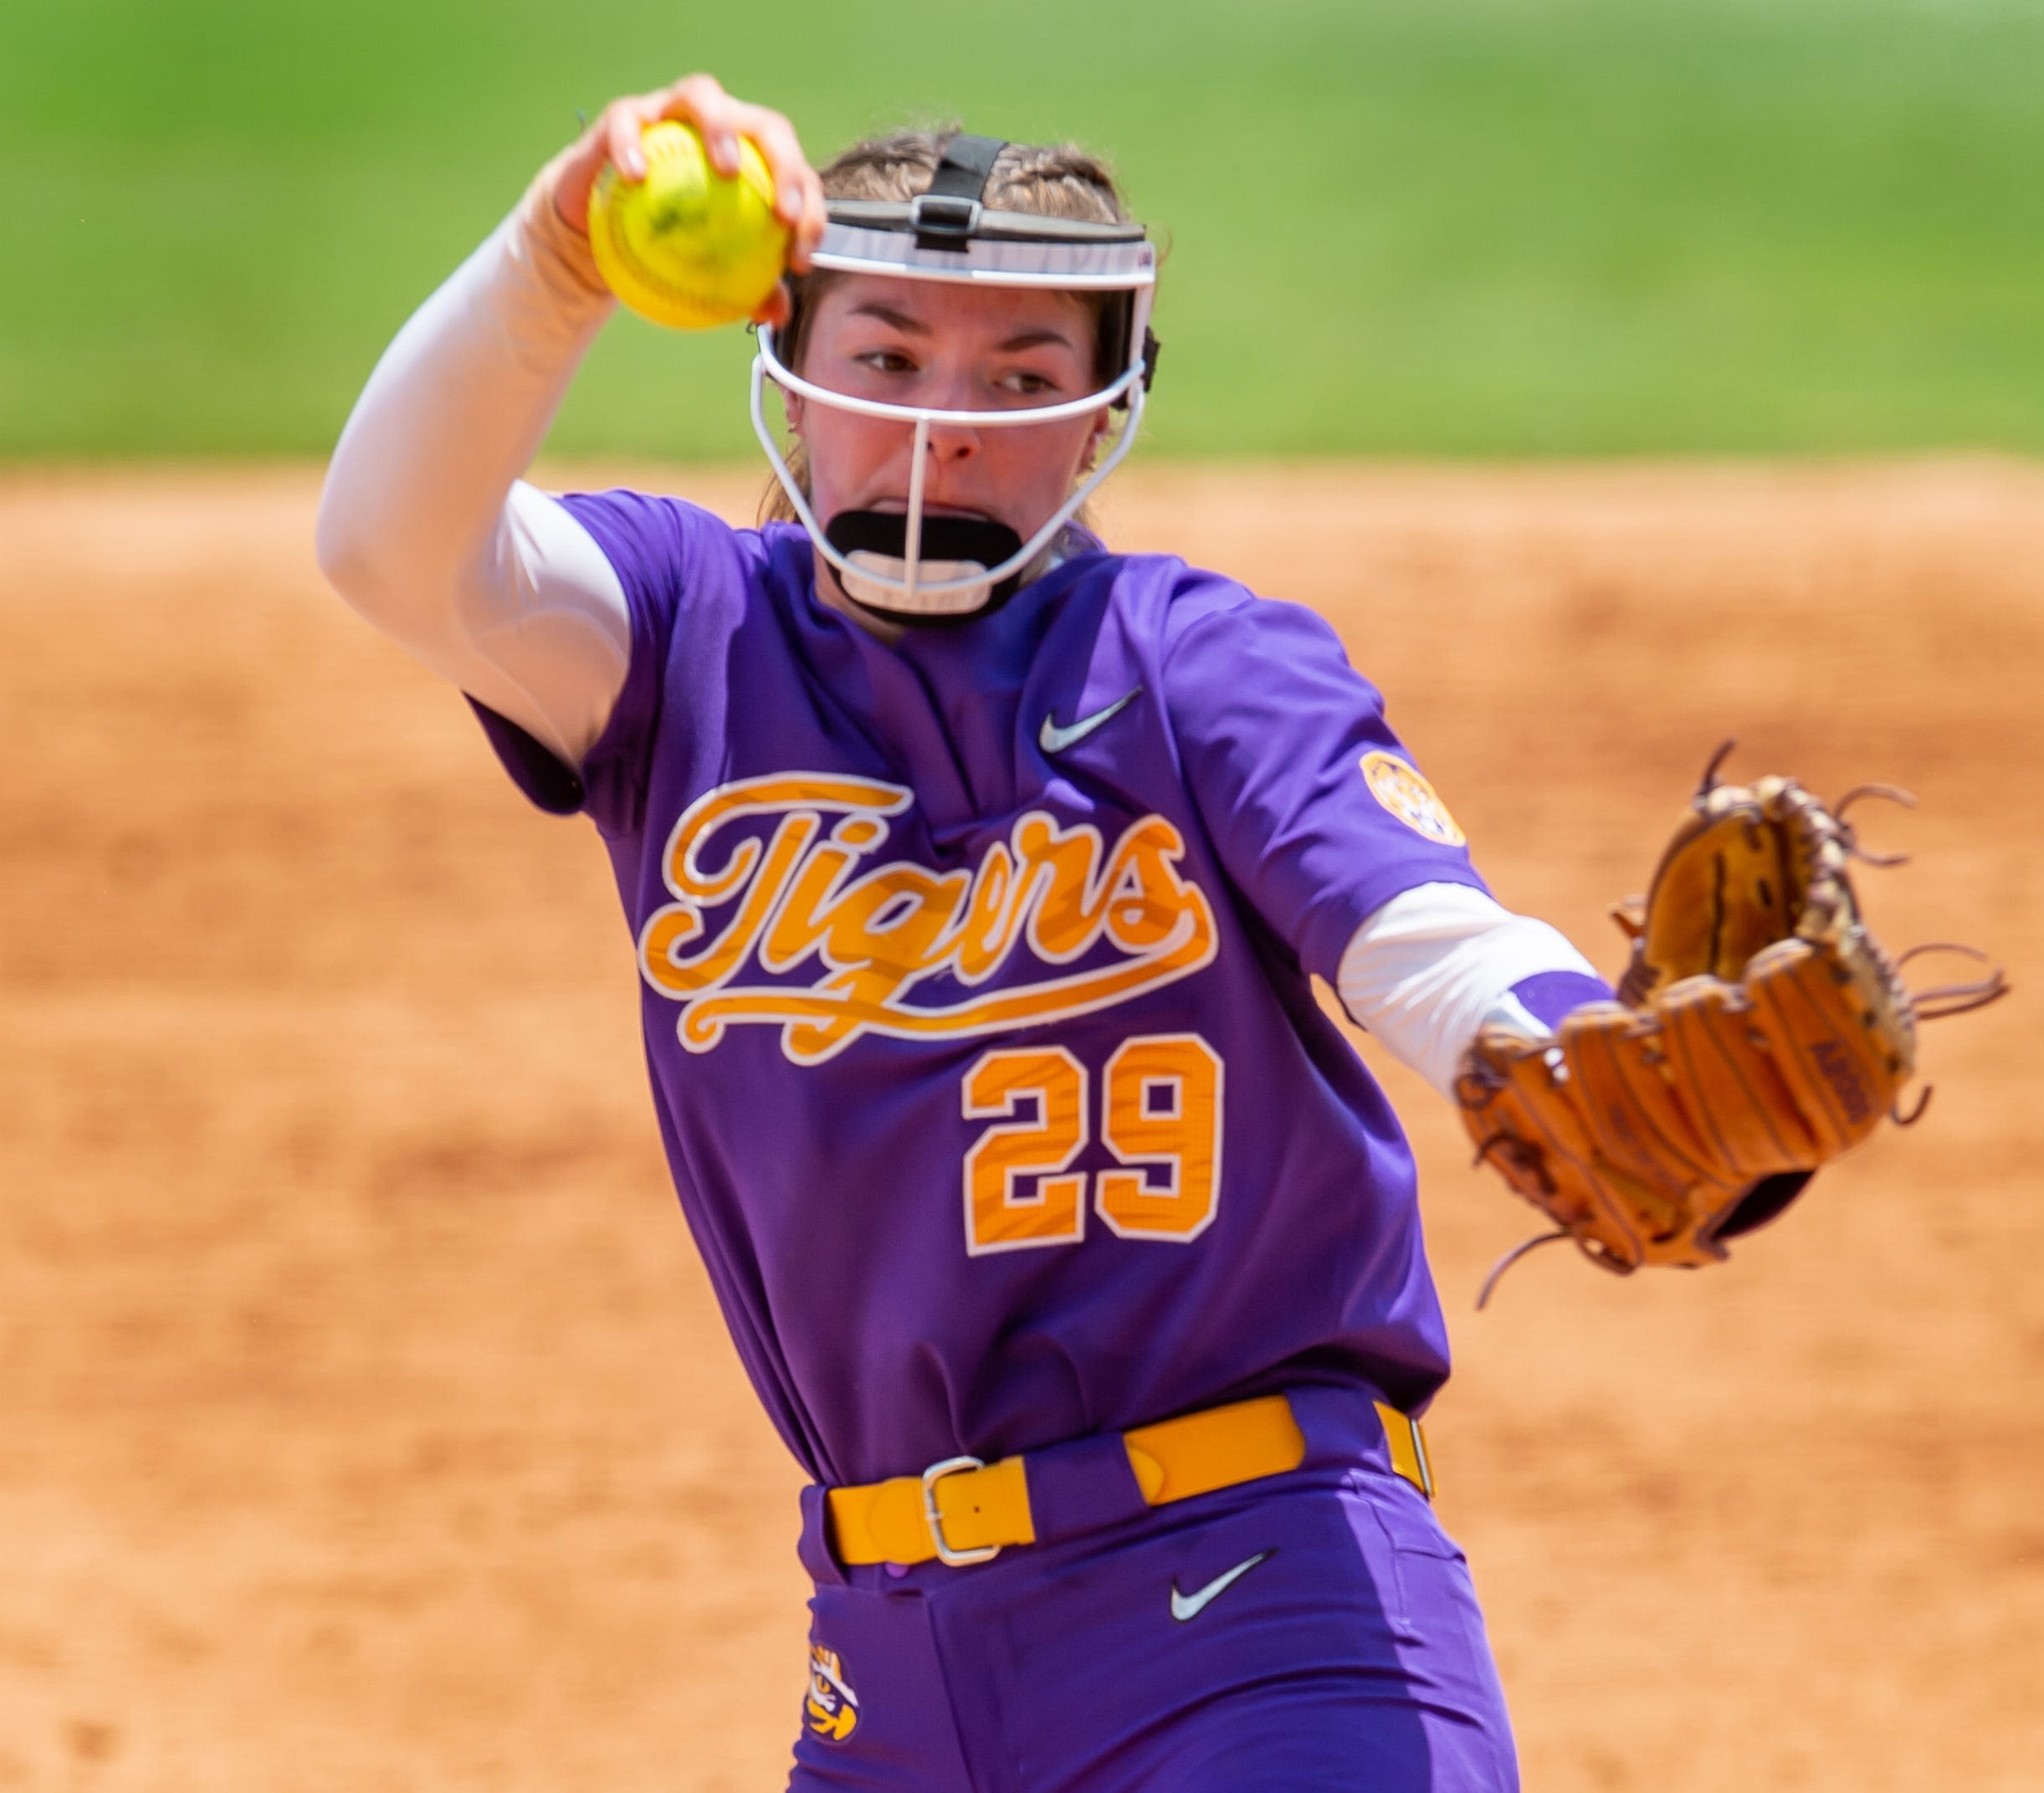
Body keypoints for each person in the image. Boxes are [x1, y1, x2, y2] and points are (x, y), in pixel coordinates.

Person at [317, 74, 1627, 1791]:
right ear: (788, 359)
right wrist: (564, 253)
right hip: (884, 1659)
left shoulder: (1194, 658)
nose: (946, 424)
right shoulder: (683, 637)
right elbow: (392, 549)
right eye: (889, 357)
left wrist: (1543, 1038)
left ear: (1105, 416)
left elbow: (1416, 925)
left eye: (1022, 377)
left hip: (1262, 1613)